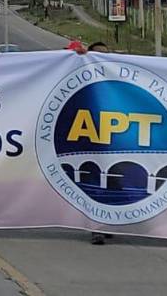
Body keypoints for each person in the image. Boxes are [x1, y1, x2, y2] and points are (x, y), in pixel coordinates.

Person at [71, 40, 116, 246]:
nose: (102, 58)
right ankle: (96, 228)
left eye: (105, 55)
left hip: (114, 141)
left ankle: (107, 224)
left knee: (113, 185)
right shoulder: (80, 74)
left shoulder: (116, 75)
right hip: (90, 140)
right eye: (98, 54)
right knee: (95, 185)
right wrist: (79, 55)